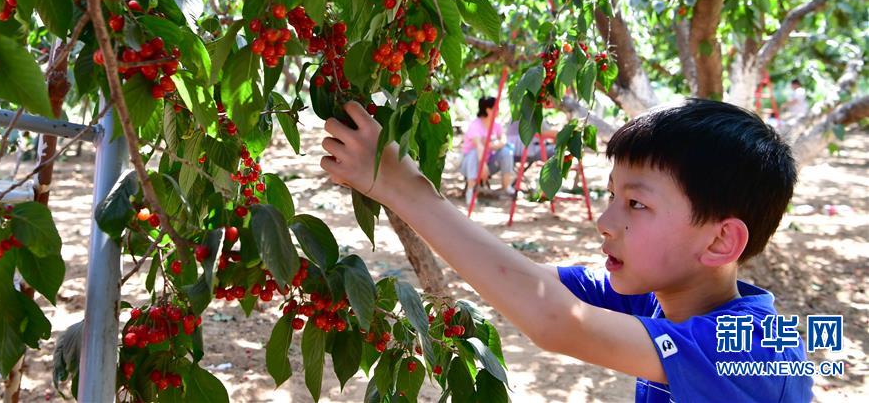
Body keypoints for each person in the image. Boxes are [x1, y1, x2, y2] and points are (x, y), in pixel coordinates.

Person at [319, 99, 811, 402]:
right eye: (611, 196)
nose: (605, 222)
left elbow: (557, 321)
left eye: (636, 203)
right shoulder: (656, 298)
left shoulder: (756, 348)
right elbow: (527, 282)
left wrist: (404, 189)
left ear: (721, 240)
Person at [459, 96, 515, 204]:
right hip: (472, 163)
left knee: (506, 151)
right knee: (474, 153)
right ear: (488, 110)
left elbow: (503, 140)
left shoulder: (496, 125)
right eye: (496, 108)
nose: (498, 110)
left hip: (489, 162)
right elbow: (479, 146)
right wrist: (483, 165)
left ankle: (507, 185)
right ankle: (470, 191)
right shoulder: (475, 125)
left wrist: (490, 145)